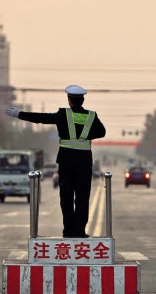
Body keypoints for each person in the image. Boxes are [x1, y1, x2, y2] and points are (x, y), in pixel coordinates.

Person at [6, 85, 106, 238]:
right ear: (82, 100)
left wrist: (19, 114)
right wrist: (86, 136)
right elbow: (102, 132)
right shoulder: (92, 116)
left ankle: (68, 230)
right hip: (84, 162)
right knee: (82, 197)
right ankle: (79, 231)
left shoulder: (63, 114)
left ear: (69, 100)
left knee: (66, 196)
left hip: (66, 161)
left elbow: (42, 118)